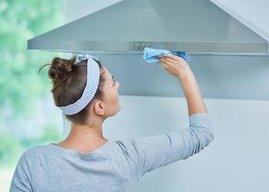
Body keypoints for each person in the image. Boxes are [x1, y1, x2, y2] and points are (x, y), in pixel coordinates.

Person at [9, 53, 214, 192]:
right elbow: (201, 133)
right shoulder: (128, 156)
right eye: (112, 82)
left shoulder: (33, 161)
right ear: (99, 107)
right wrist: (185, 74)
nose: (118, 85)